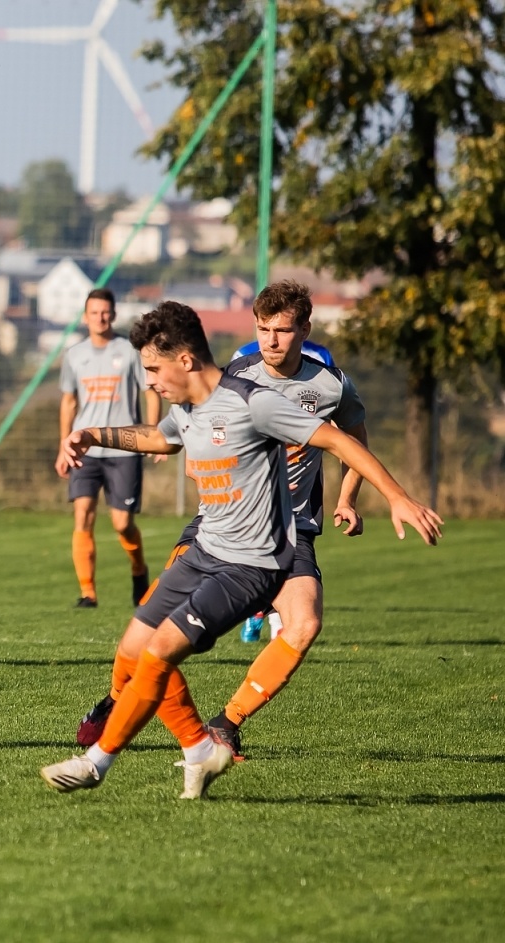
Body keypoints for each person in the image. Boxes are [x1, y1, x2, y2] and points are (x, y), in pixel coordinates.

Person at [41, 302, 441, 800]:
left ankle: (97, 762)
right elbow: (161, 439)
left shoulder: (255, 402)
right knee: (132, 648)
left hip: (252, 561)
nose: (149, 382)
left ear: (185, 360)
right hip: (205, 547)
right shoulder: (189, 406)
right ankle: (199, 749)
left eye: (153, 370)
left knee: (161, 652)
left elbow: (340, 442)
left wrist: (397, 498)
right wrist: (90, 435)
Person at [74, 283, 371, 755]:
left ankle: (225, 724)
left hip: (290, 530)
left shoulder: (331, 384)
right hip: (219, 526)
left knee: (304, 623)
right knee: (152, 624)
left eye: (282, 330)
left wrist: (348, 498)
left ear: (304, 330)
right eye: (263, 329)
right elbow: (187, 431)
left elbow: (352, 441)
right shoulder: (236, 376)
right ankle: (116, 699)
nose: (271, 340)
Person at [57, 288, 160, 608]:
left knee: (122, 524)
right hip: (86, 449)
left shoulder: (129, 351)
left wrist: (152, 435)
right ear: (85, 317)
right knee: (83, 516)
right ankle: (88, 592)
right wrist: (64, 445)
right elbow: (69, 402)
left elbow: (151, 392)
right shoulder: (74, 355)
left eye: (105, 312)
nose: (100, 318)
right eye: (94, 313)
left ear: (113, 315)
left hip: (124, 448)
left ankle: (138, 569)